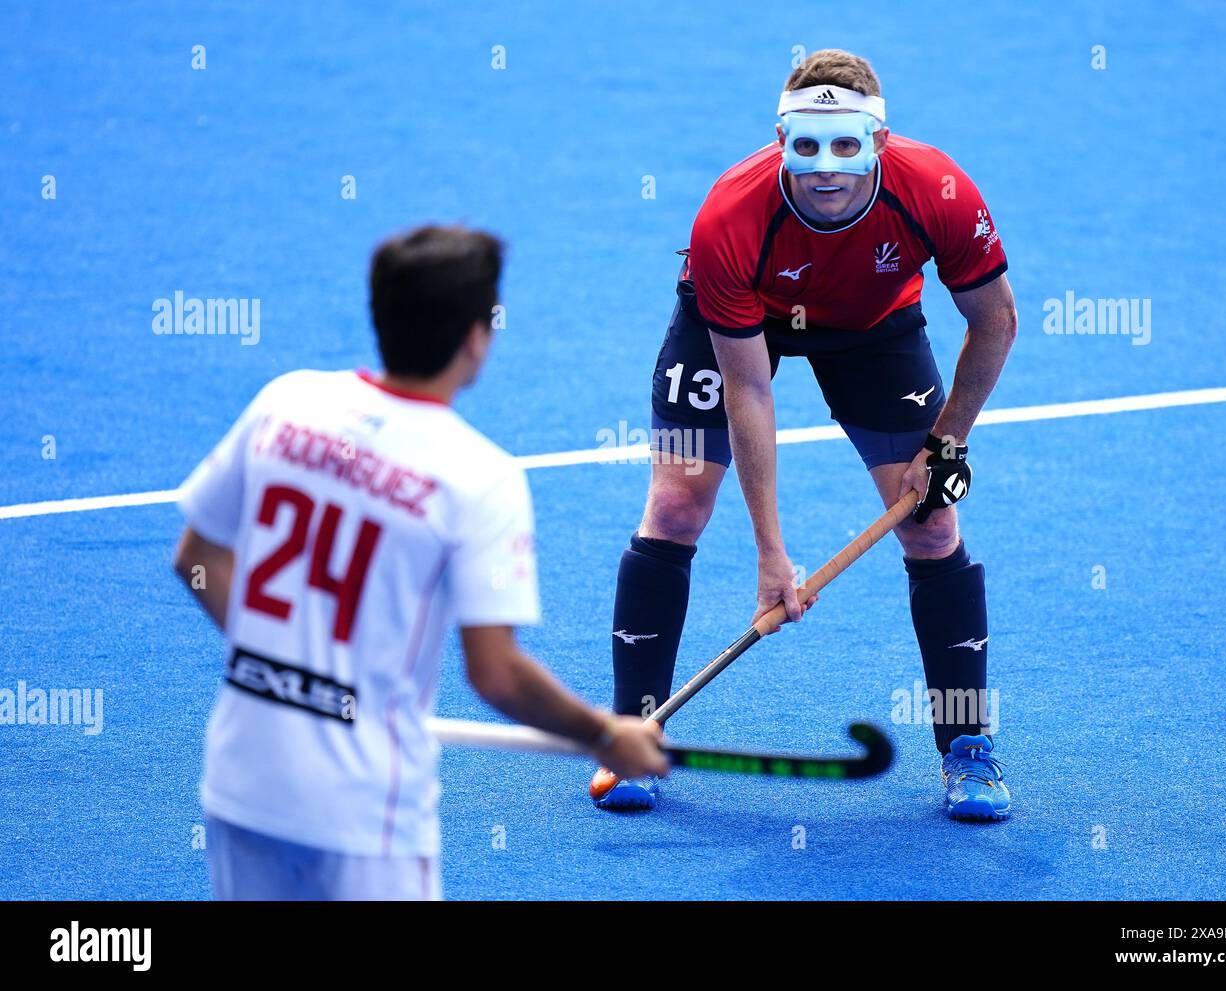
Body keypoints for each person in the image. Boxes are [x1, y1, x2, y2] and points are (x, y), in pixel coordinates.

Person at [174, 224, 666, 900]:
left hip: (240, 777)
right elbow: (497, 674)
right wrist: (604, 733)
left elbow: (197, 559)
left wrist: (287, 664)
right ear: (475, 338)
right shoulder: (477, 476)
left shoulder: (285, 403)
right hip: (361, 810)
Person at [596, 49, 1017, 820]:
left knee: (931, 526)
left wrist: (948, 440)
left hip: (872, 326)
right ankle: (632, 731)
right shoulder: (731, 215)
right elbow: (750, 391)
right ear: (780, 136)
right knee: (677, 506)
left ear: (880, 141)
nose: (825, 168)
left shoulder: (939, 193)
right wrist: (770, 553)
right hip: (744, 317)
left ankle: (967, 747)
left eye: (847, 145)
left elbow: (995, 321)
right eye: (806, 146)